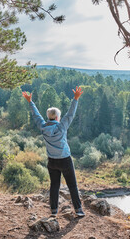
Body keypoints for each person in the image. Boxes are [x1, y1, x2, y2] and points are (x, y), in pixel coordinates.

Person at [22, 86, 85, 217]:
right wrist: (75, 99)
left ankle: (54, 211)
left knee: (54, 186)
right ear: (57, 117)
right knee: (72, 185)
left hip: (52, 161)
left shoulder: (43, 127)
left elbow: (36, 116)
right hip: (65, 160)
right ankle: (78, 210)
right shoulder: (61, 127)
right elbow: (70, 114)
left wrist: (30, 102)